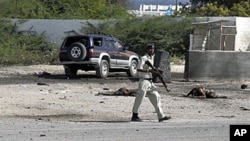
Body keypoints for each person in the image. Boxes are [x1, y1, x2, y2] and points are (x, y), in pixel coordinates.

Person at [131, 43, 171, 122]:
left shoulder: (152, 58)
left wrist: (157, 70)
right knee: (139, 99)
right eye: (149, 48)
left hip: (150, 82)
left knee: (157, 97)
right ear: (147, 49)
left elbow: (153, 70)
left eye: (152, 48)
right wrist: (149, 70)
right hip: (144, 81)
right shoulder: (143, 58)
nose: (151, 50)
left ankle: (161, 116)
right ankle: (134, 116)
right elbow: (138, 69)